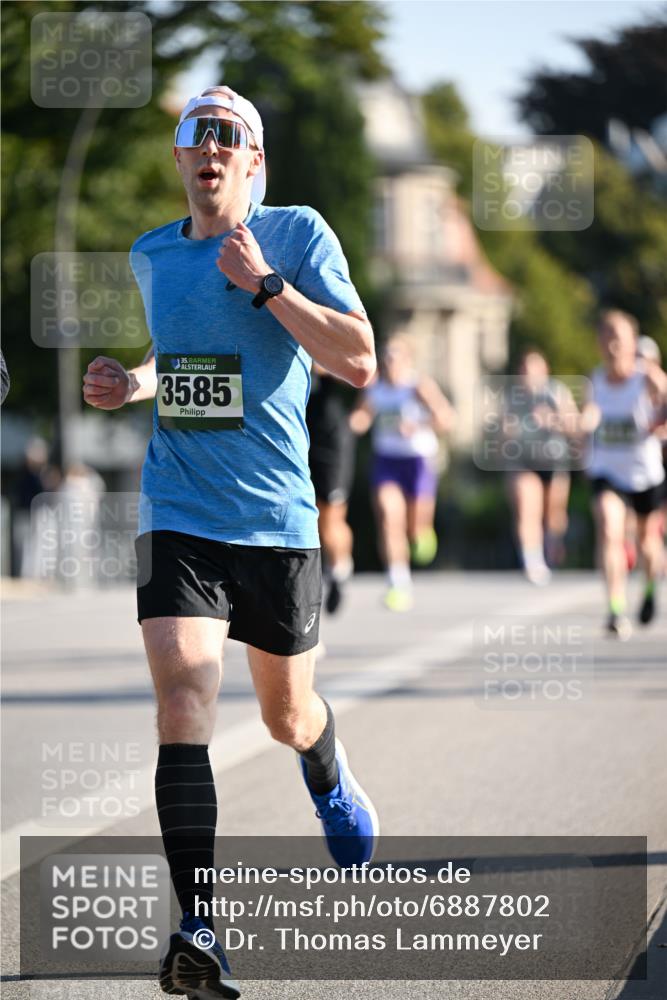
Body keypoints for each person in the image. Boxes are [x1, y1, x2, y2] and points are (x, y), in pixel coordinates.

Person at [82, 85, 378, 1000]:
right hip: (178, 510)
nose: (209, 146)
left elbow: (359, 358)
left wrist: (268, 287)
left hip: (276, 520)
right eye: (194, 133)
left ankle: (326, 769)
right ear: (179, 159)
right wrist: (127, 382)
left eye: (229, 135)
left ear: (253, 162)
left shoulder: (296, 235)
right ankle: (200, 928)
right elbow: (185, 361)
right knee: (183, 698)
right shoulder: (151, 257)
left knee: (286, 716)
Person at [350, 335, 454, 611]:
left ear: (408, 361)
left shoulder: (418, 386)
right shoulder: (375, 389)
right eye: (386, 357)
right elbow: (361, 417)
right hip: (387, 461)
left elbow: (446, 419)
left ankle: (422, 532)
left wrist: (419, 424)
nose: (390, 362)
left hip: (418, 461)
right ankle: (398, 581)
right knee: (388, 517)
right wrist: (352, 424)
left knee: (414, 527)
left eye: (396, 357)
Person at [583, 310, 666, 638]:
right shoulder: (595, 379)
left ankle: (648, 586)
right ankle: (615, 608)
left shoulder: (647, 377)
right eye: (607, 335)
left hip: (644, 472)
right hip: (607, 470)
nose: (613, 343)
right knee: (608, 526)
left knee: (647, 541)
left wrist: (659, 425)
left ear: (632, 342)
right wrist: (583, 424)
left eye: (619, 335)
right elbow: (591, 413)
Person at [503, 349, 581, 585]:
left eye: (534, 369)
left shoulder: (557, 392)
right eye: (525, 370)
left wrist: (552, 420)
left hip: (554, 461)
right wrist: (507, 433)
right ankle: (532, 561)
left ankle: (552, 545)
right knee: (528, 509)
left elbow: (575, 427)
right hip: (524, 461)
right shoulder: (513, 397)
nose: (529, 375)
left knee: (553, 516)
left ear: (544, 371)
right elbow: (500, 433)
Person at [306, 363, 356, 614]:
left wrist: (325, 366)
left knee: (330, 517)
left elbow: (361, 373)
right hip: (298, 437)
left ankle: (339, 571)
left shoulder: (315, 334)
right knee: (310, 516)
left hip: (331, 442)